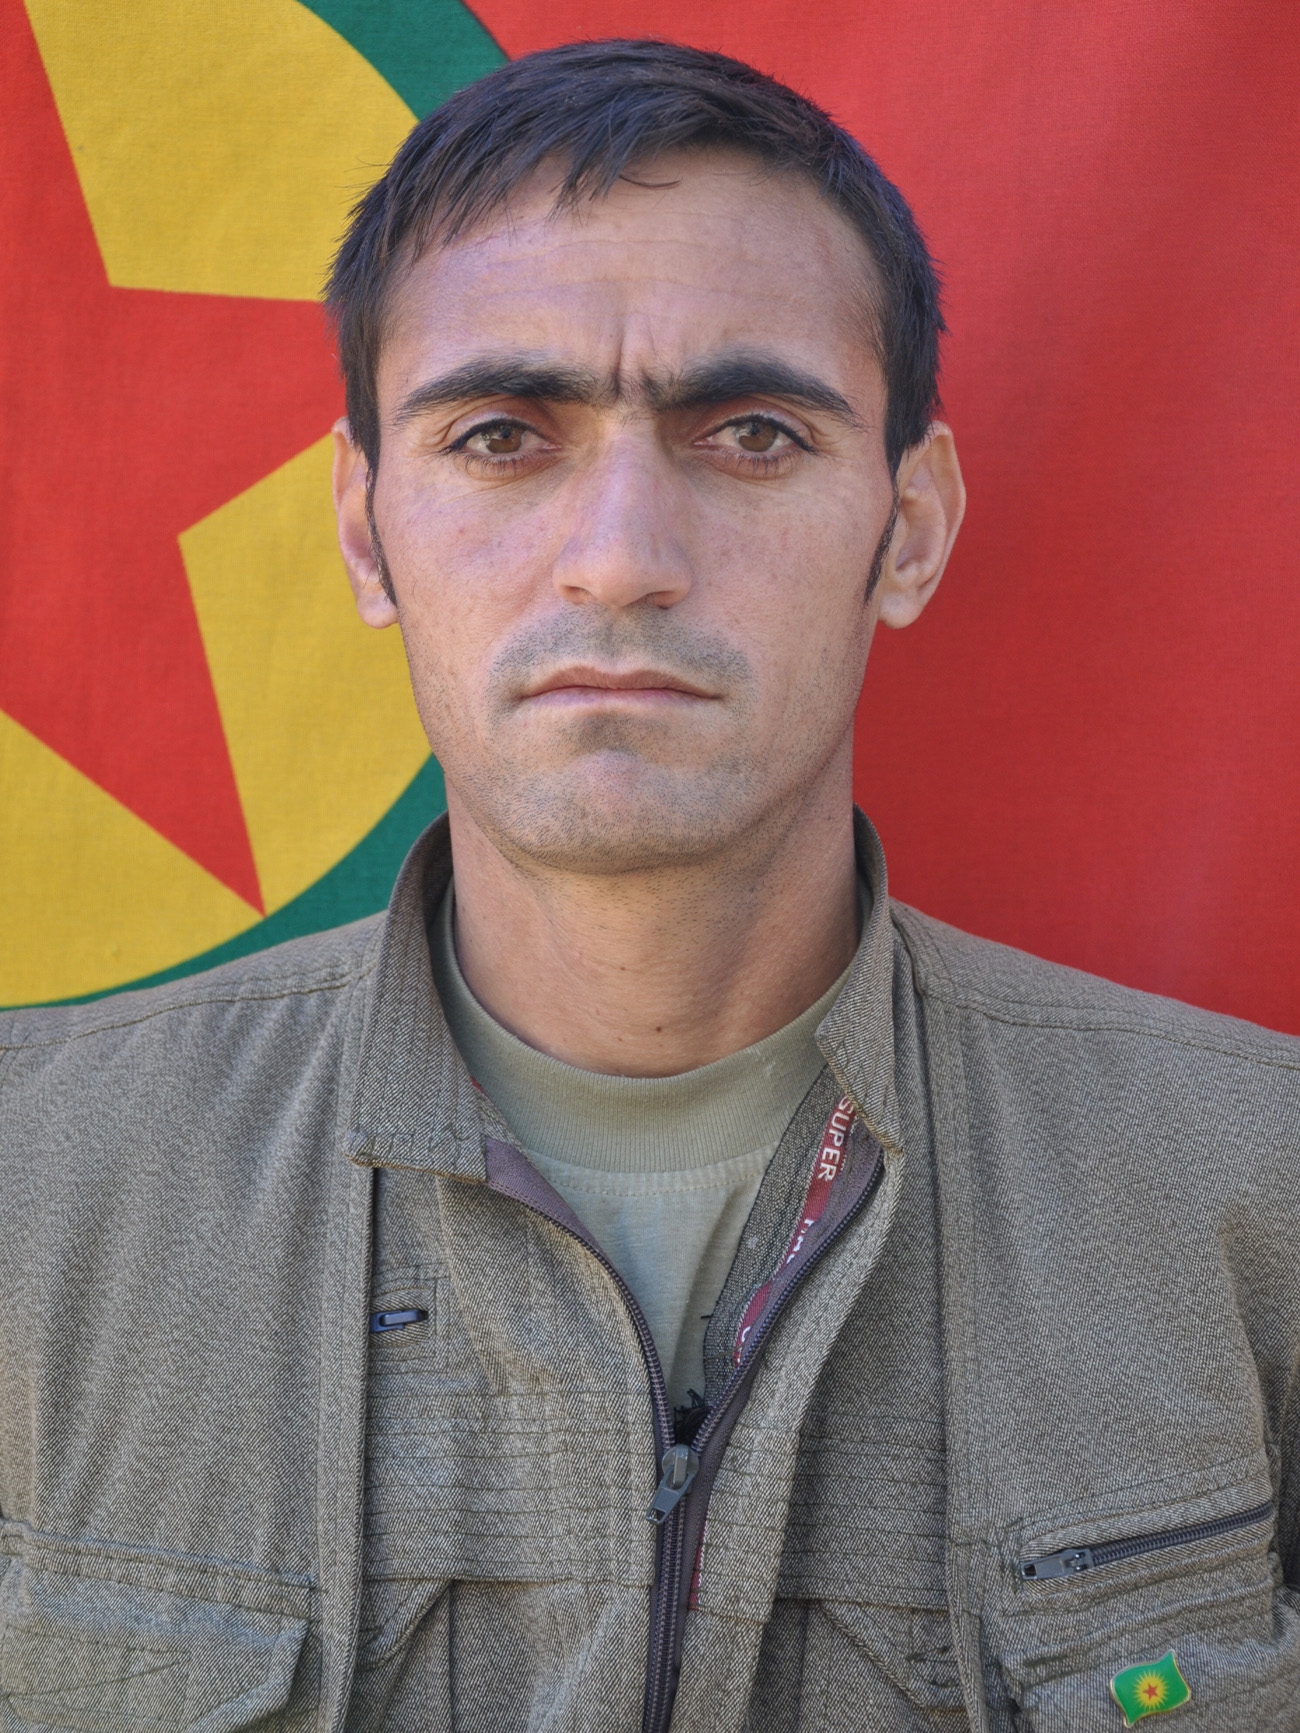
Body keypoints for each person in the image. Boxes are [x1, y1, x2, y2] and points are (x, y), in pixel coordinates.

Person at [2, 38, 1299, 1733]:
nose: (619, 555)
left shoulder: (1254, 1199)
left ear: (909, 527)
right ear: (365, 528)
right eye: (500, 435)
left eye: (752, 433)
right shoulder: (35, 1194)